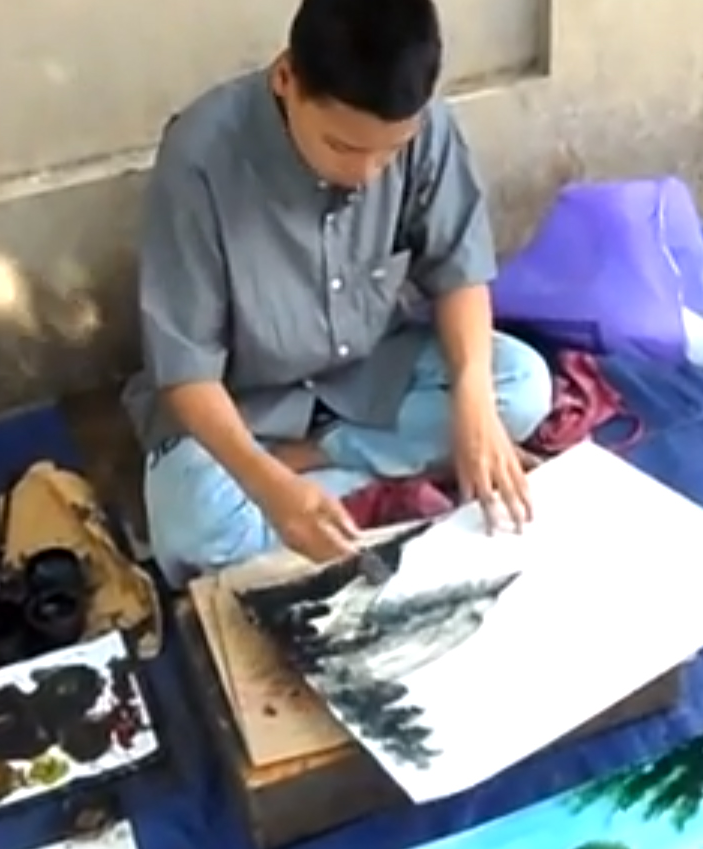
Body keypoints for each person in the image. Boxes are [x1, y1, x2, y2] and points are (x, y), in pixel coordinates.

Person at [121, 0, 554, 587]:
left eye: (391, 152)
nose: (368, 172)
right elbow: (186, 370)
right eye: (344, 147)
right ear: (286, 78)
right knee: (194, 529)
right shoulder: (198, 159)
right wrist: (266, 484)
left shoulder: (425, 124)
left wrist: (474, 399)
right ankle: (368, 473)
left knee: (521, 387)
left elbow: (458, 269)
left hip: (369, 372)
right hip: (247, 405)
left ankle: (322, 459)